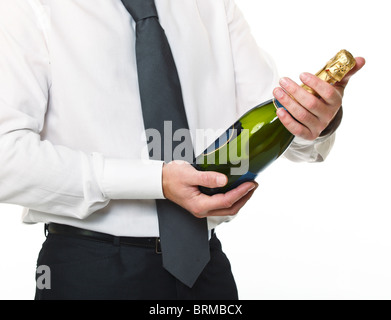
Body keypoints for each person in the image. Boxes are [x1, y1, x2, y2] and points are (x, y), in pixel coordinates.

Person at [0, 0, 364, 300]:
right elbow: (6, 160)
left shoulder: (212, 6)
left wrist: (316, 120)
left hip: (203, 269)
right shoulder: (30, 8)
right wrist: (154, 181)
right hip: (89, 271)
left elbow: (280, 121)